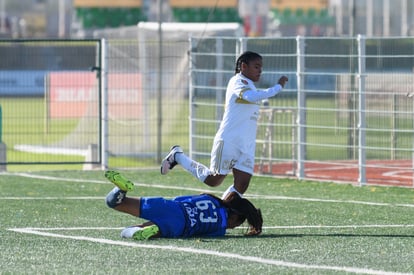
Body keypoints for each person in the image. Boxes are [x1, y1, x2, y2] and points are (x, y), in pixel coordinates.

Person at [161, 51, 288, 199]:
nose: (260, 70)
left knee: (242, 184)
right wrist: (277, 87)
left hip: (246, 144)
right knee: (214, 180)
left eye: (261, 67)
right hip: (229, 140)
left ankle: (224, 212)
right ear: (243, 66)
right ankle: (178, 156)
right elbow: (250, 97)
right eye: (256, 66)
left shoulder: (251, 85)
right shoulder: (238, 81)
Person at [104, 170, 263, 240]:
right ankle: (146, 231)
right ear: (234, 216)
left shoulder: (210, 198)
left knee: (114, 203)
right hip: (179, 226)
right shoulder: (219, 229)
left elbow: (181, 198)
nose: (233, 227)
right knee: (129, 231)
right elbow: (200, 233)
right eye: (237, 224)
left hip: (168, 206)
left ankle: (121, 189)